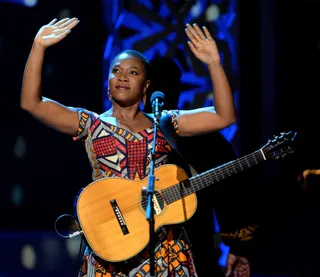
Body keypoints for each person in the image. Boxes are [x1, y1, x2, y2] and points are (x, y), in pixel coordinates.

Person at [20, 16, 250, 277]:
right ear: (108, 83)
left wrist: (214, 63)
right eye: (116, 70)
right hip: (111, 247)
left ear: (146, 87)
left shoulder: (164, 122)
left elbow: (224, 116)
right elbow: (32, 103)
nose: (122, 77)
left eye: (133, 72)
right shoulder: (90, 123)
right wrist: (38, 46)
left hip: (165, 249)